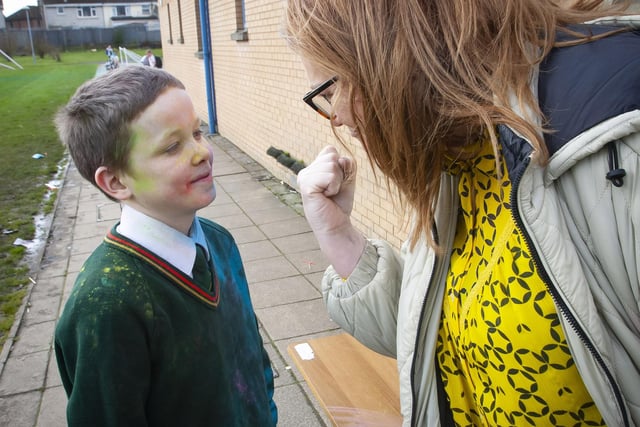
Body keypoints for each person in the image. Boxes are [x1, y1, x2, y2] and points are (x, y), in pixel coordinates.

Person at [286, 1, 640, 426]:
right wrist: (337, 232)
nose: (336, 118)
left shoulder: (614, 142)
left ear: (392, 49)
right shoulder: (459, 158)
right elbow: (436, 343)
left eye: (329, 90)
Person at [53, 66, 277, 426]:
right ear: (115, 181)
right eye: (172, 146)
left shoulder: (220, 241)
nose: (201, 152)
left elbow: (249, 352)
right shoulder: (107, 304)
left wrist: (266, 408)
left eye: (197, 132)